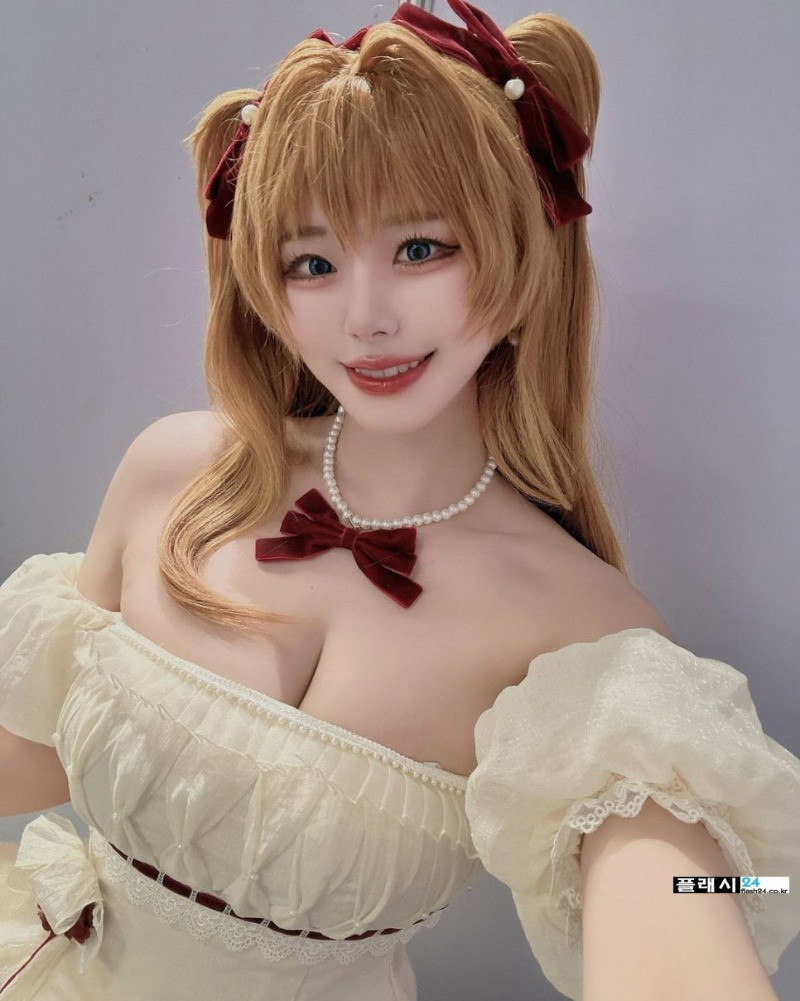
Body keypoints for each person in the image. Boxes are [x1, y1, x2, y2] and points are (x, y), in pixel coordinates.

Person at [0, 1, 798, 998]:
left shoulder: (579, 623)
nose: (365, 318)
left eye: (421, 249)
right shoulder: (175, 472)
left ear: (520, 254)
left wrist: (696, 893)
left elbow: (687, 887)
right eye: (313, 263)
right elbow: (33, 749)